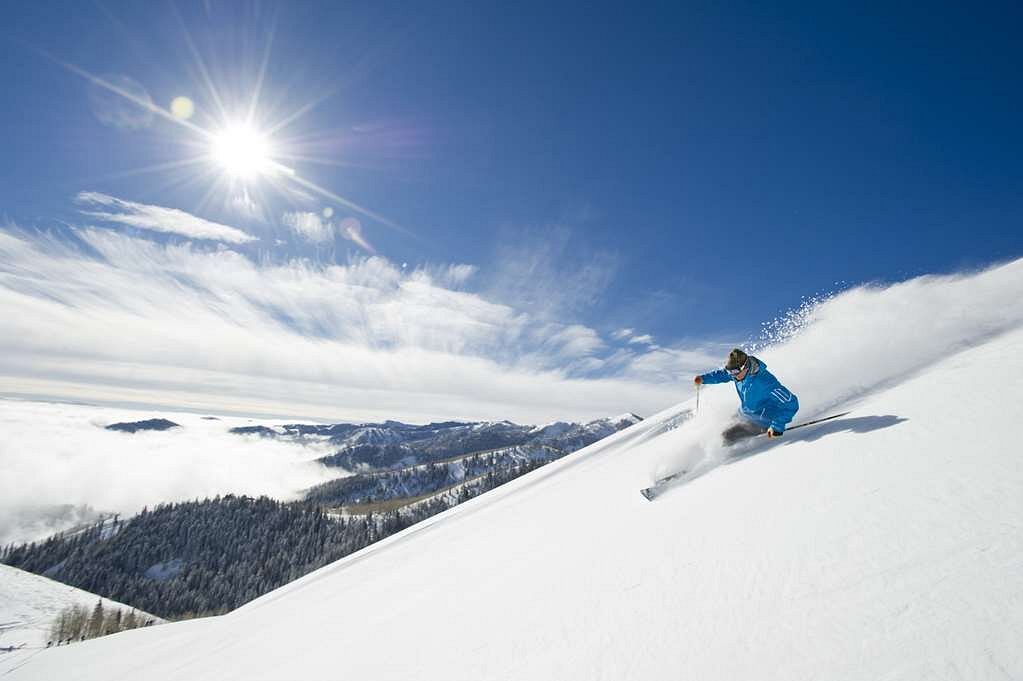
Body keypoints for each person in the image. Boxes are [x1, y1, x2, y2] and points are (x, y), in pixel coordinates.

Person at [694, 348, 799, 445]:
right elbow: (722, 374)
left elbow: (791, 403)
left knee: (726, 436)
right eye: (730, 371)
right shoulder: (737, 374)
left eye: (734, 372)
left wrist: (776, 426)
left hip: (761, 420)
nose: (732, 375)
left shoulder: (765, 382)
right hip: (744, 414)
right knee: (719, 427)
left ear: (745, 367)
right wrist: (703, 379)